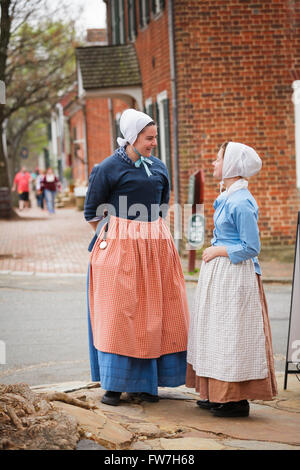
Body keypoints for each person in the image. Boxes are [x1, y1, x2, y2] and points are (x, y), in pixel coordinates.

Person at [84, 108, 190, 406]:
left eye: (155, 137)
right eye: (148, 137)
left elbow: (163, 205)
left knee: (155, 313)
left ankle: (147, 383)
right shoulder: (108, 168)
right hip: (120, 247)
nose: (153, 142)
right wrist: (111, 239)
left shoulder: (158, 167)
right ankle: (115, 385)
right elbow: (92, 211)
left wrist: (152, 235)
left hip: (155, 245)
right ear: (132, 137)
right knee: (120, 315)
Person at [186, 141, 277, 417]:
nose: (213, 163)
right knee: (217, 333)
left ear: (232, 166)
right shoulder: (228, 195)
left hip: (237, 276)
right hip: (222, 273)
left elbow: (251, 247)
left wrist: (218, 250)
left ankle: (236, 400)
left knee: (234, 335)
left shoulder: (241, 201)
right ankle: (217, 393)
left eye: (218, 159)